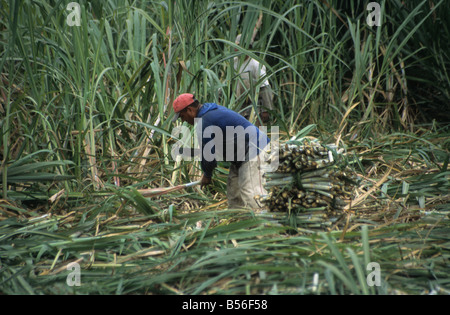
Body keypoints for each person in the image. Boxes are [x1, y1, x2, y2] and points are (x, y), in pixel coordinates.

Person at [172, 93, 269, 210]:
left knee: (251, 193)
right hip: (240, 157)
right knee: (234, 193)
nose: (184, 121)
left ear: (190, 110)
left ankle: (265, 224)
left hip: (256, 150)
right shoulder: (208, 112)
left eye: (182, 116)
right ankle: (239, 223)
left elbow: (208, 155)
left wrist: (207, 175)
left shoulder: (205, 120)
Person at [234, 34, 274, 125]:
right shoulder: (235, 62)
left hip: (255, 105)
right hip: (240, 105)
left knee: (256, 133)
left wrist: (266, 110)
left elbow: (265, 87)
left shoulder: (256, 65)